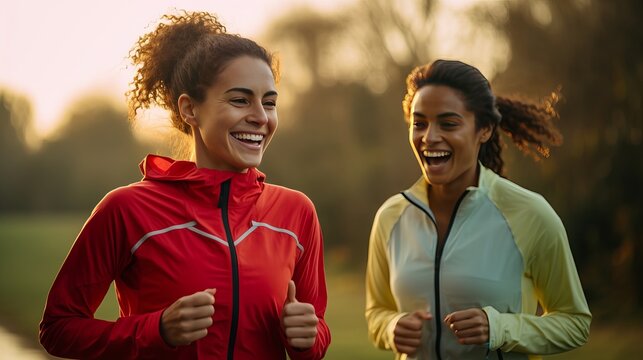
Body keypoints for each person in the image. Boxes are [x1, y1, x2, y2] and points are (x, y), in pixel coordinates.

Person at [39, 11, 330, 360]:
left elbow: (317, 334)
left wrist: (308, 339)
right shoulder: (126, 209)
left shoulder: (297, 212)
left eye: (269, 102)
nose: (261, 116)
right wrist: (157, 329)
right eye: (240, 100)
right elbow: (58, 327)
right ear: (190, 109)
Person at [365, 59, 591, 360]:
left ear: (483, 130)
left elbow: (575, 323)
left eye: (448, 123)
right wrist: (390, 326)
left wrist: (500, 328)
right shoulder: (390, 217)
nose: (429, 137)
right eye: (419, 123)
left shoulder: (530, 214)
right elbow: (376, 312)